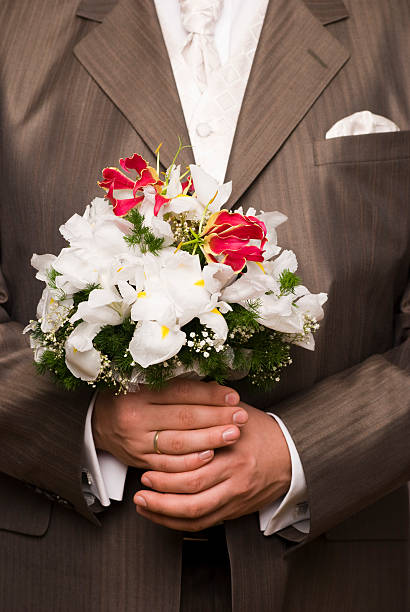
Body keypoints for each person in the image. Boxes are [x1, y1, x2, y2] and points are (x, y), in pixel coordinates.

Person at [0, 0, 409, 610]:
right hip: (61, 572)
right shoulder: (15, 25)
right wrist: (87, 423)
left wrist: (300, 451)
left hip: (336, 568)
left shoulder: (395, 23)